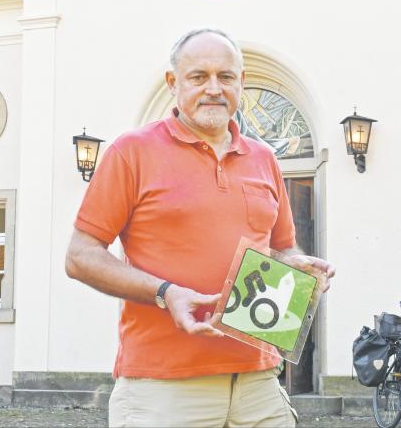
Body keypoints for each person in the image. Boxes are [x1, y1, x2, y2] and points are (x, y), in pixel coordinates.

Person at [65, 28, 336, 428]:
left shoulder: (264, 158)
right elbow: (80, 256)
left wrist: (299, 267)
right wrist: (165, 293)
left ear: (241, 83)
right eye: (198, 77)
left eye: (226, 77)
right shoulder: (132, 151)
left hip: (258, 380)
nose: (214, 88)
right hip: (164, 388)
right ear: (173, 83)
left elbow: (284, 248)